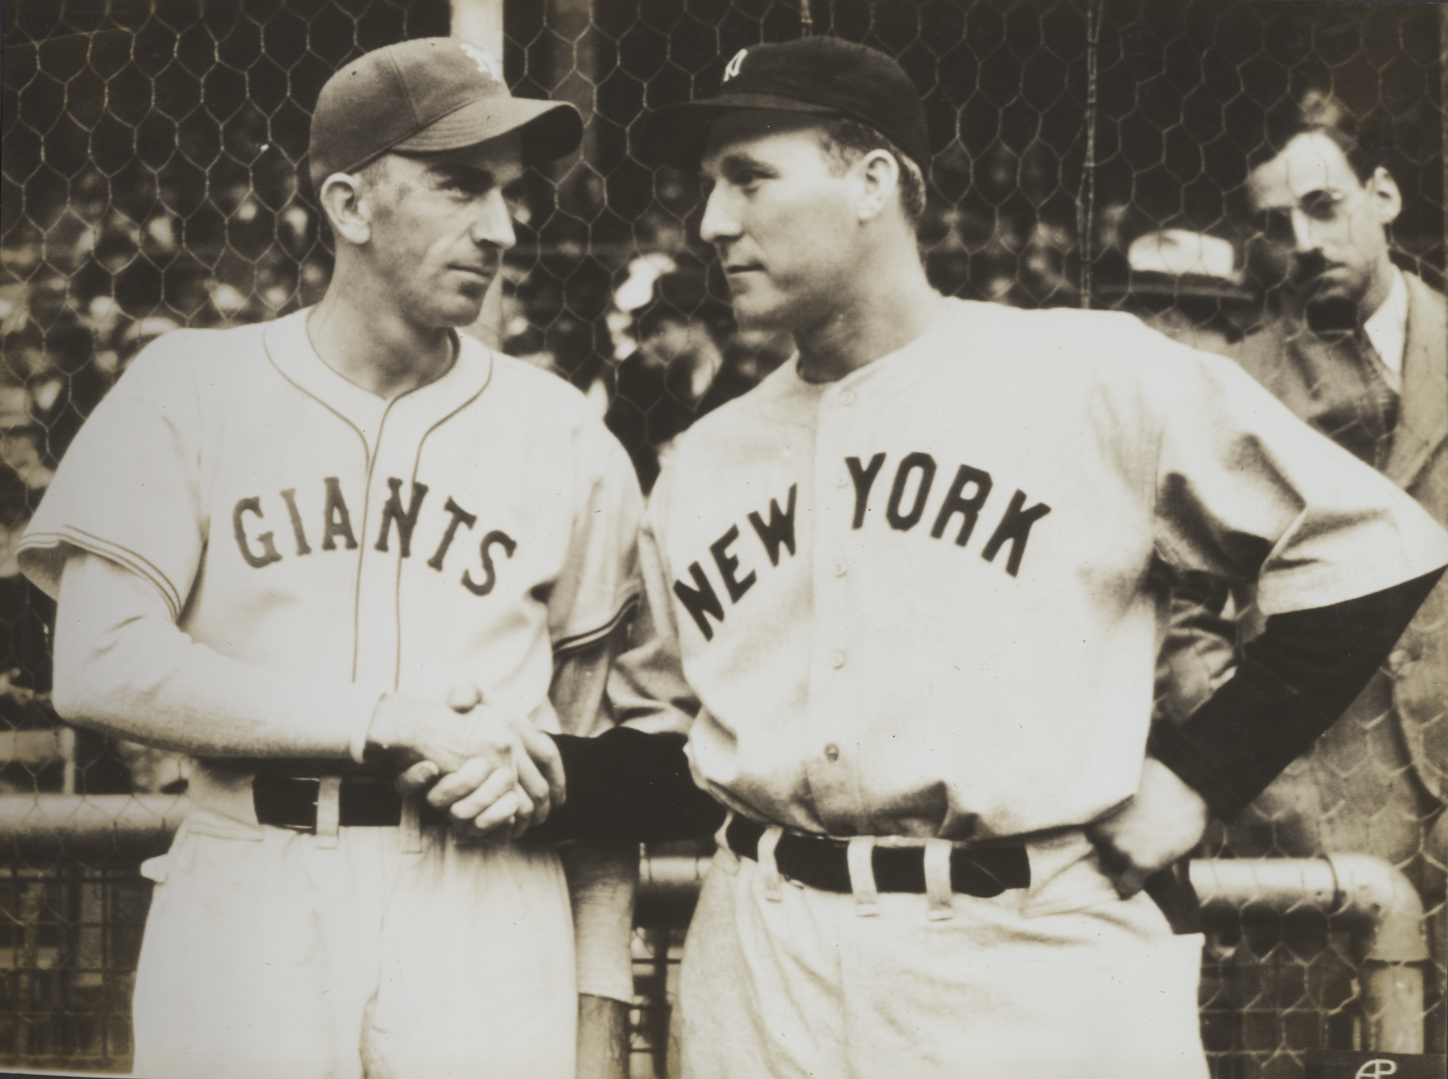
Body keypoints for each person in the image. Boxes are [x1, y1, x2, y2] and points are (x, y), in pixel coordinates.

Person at [495, 37, 1448, 1078]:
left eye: (749, 178)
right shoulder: (706, 459)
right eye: (707, 188)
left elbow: (1373, 544)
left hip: (1030, 954)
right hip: (766, 963)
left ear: (871, 182)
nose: (712, 222)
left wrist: (1200, 773)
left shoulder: (1085, 374)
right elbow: (674, 748)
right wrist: (502, 763)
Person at [19, 38, 643, 1079]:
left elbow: (590, 743)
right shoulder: (190, 384)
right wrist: (379, 718)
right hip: (251, 872)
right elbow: (97, 661)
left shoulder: (565, 433)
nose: (500, 228)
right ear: (350, 205)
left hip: (486, 895)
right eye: (457, 186)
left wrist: (599, 1000)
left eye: (507, 194)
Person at [1168, 90, 1448, 903]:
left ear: (1384, 196)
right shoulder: (1237, 387)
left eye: (1325, 206)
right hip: (1322, 831)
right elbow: (1187, 619)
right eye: (1277, 224)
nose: (1306, 242)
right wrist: (1265, 786)